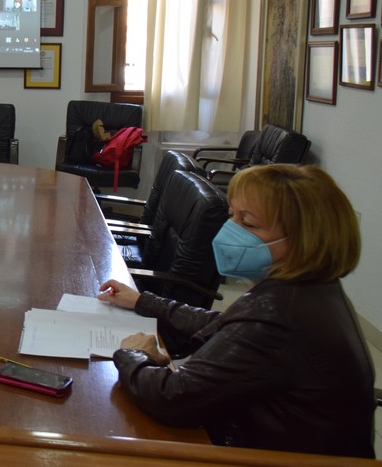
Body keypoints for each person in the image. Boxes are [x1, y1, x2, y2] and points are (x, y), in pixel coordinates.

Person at [97, 164, 374, 458]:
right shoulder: (308, 289)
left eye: (249, 223)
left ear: (304, 240)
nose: (230, 230)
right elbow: (226, 324)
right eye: (232, 215)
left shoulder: (278, 313)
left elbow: (170, 398)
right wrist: (142, 301)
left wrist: (132, 354)